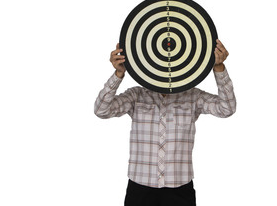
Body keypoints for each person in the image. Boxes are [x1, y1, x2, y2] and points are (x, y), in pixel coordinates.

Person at [94, 39, 236, 206]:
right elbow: (101, 110)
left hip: (180, 189)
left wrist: (218, 68)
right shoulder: (136, 95)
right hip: (140, 188)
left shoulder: (192, 96)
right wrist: (118, 74)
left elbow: (227, 108)